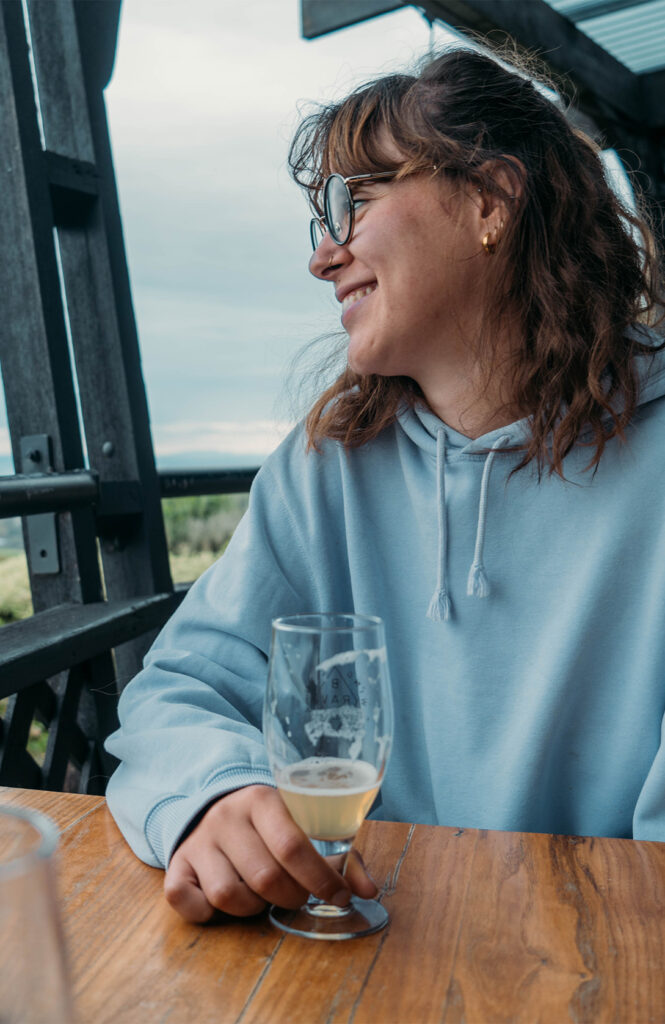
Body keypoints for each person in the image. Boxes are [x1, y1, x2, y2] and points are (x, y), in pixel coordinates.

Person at [105, 46, 665, 924]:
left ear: (491, 199)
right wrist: (215, 796)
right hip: (370, 952)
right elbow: (180, 687)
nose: (324, 257)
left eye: (356, 202)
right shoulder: (326, 463)